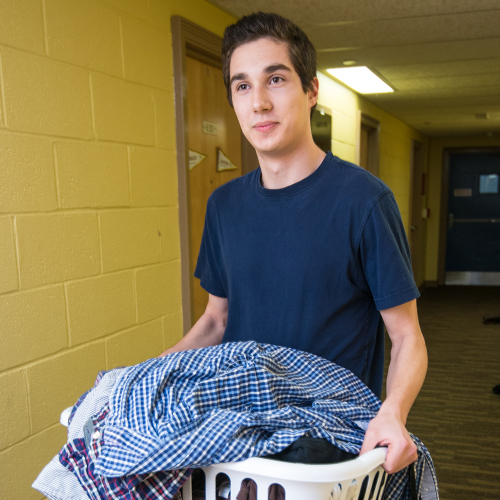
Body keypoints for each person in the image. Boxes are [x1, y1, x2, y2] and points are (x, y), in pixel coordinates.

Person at [160, 12, 428, 475]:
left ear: (311, 91)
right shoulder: (224, 205)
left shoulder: (363, 201)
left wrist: (393, 411)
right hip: (239, 431)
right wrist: (147, 374)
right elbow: (215, 321)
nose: (259, 102)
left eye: (276, 79)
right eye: (242, 86)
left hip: (325, 439)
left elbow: (406, 335)